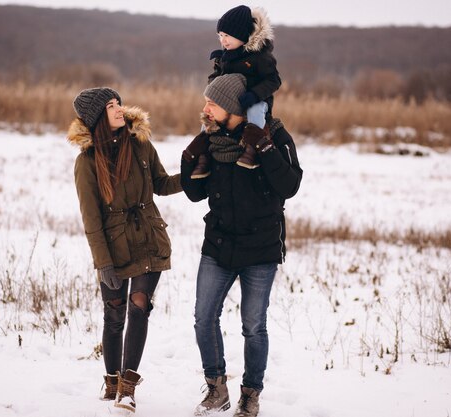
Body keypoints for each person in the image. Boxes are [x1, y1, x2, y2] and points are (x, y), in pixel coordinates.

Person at [181, 74, 303, 417]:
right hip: (219, 244)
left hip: (260, 248)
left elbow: (290, 185)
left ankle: (251, 395)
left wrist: (263, 146)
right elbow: (194, 194)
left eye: (212, 103)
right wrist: (190, 156)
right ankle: (216, 389)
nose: (205, 108)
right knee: (204, 318)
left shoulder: (273, 135)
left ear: (233, 108)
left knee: (253, 325)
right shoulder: (213, 139)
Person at [68, 87, 182, 414]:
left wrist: (194, 174)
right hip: (114, 249)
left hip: (148, 238)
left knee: (139, 306)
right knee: (114, 313)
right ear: (97, 117)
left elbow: (161, 184)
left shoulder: (141, 144)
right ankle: (111, 381)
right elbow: (91, 220)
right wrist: (103, 263)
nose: (119, 109)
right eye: (111, 106)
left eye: (118, 103)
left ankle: (128, 389)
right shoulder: (87, 162)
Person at [191, 4, 281, 179]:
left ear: (242, 35)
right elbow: (215, 77)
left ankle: (252, 149)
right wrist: (215, 87)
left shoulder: (260, 57)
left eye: (227, 36)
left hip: (256, 99)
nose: (223, 40)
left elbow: (274, 80)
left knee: (255, 112)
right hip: (229, 102)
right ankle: (203, 155)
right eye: (220, 36)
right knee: (207, 116)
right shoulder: (225, 56)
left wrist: (255, 94)